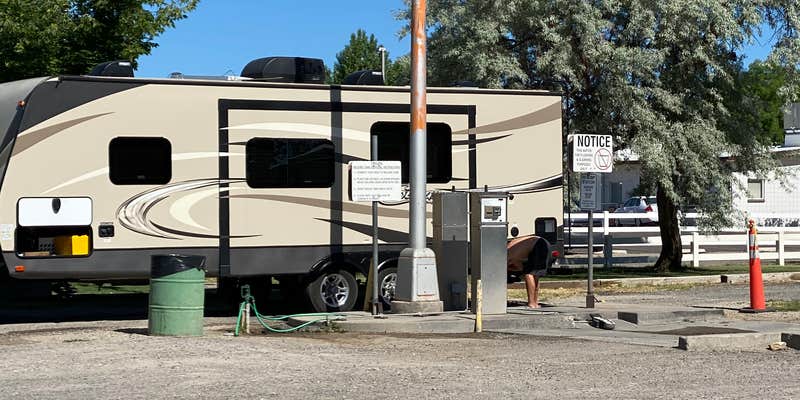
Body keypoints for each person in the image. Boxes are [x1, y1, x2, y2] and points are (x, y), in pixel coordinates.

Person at [507, 235, 552, 308]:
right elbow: (520, 267)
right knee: (535, 275)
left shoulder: (506, 254)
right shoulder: (511, 246)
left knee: (529, 274)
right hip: (543, 243)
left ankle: (531, 303)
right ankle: (535, 302)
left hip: (538, 244)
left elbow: (519, 267)